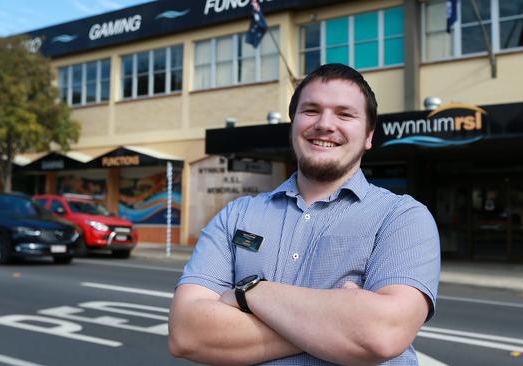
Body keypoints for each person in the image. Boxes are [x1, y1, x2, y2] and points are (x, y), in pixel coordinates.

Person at [168, 63, 440, 365]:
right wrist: (339, 322)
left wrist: (250, 294)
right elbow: (187, 333)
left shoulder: (402, 217)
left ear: (368, 136)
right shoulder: (236, 216)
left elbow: (381, 335)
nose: (325, 124)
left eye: (345, 114)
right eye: (311, 110)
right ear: (293, 123)